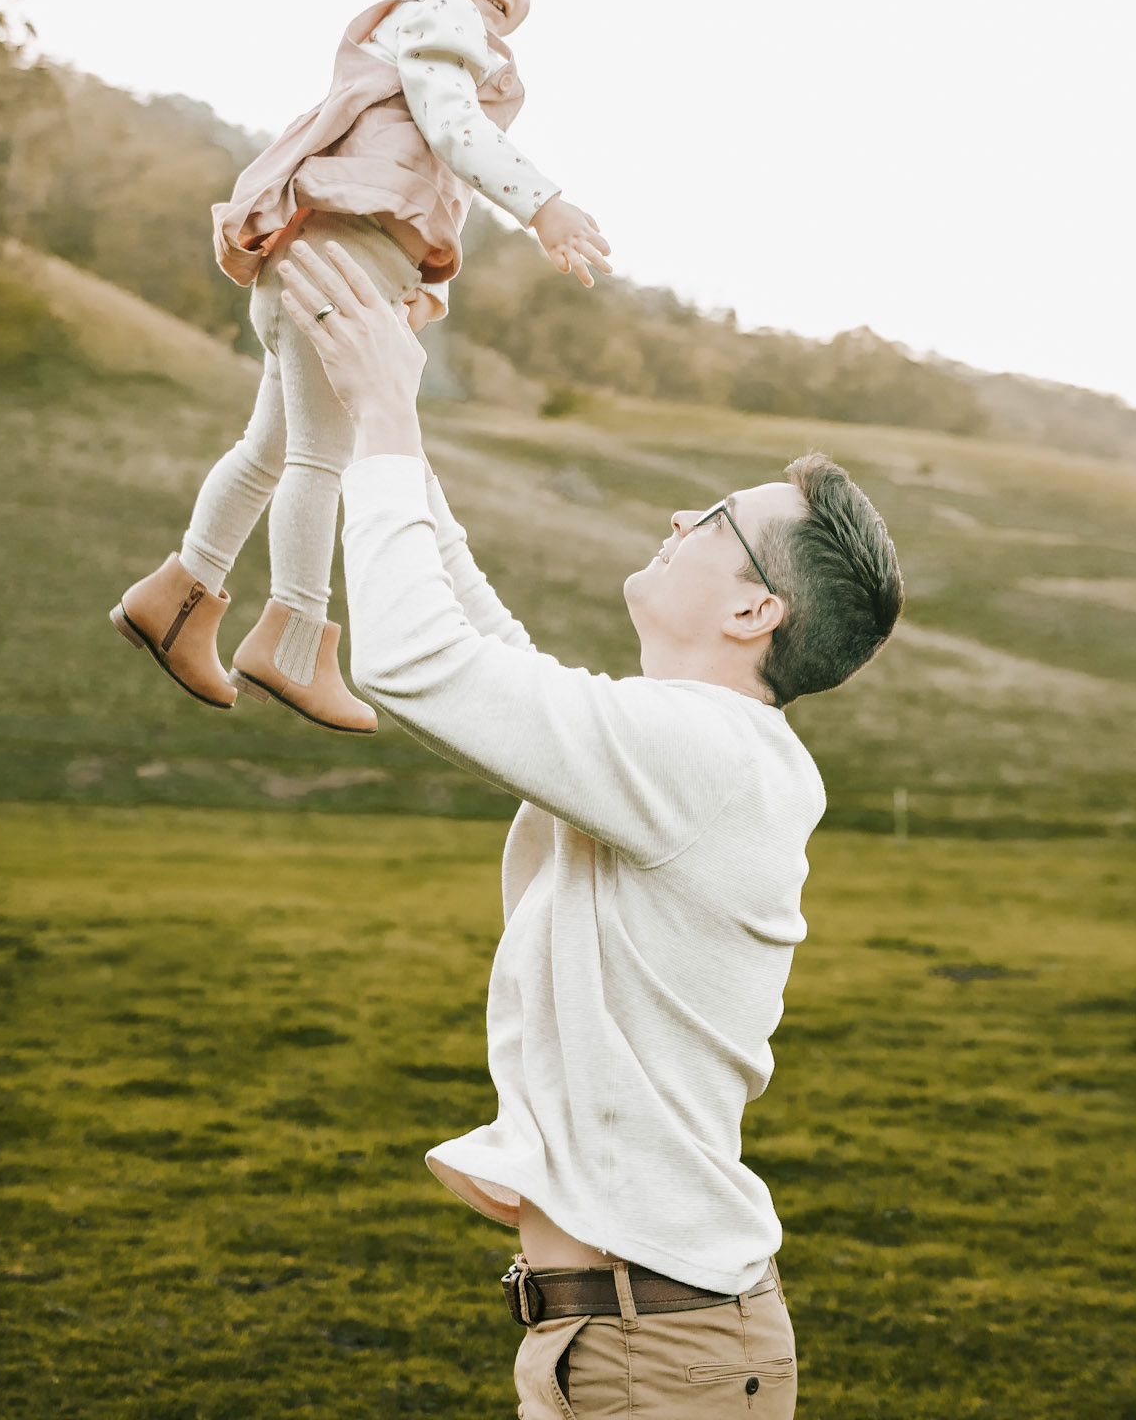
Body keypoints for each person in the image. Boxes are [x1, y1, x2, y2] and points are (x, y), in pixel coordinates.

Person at [277, 235, 905, 1419]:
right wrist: (376, 404)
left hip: (656, 1355)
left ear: (754, 608)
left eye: (714, 516)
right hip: (628, 1337)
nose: (679, 512)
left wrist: (391, 419)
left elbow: (419, 663)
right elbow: (491, 651)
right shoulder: (693, 749)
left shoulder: (704, 756)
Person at [110, 0, 610, 732]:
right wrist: (544, 205)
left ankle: (177, 599)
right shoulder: (441, 20)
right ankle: (293, 637)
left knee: (269, 450)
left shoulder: (416, 29)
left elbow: (417, 175)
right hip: (339, 258)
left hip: (320, 255)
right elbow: (454, 132)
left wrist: (410, 287)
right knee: (321, 459)